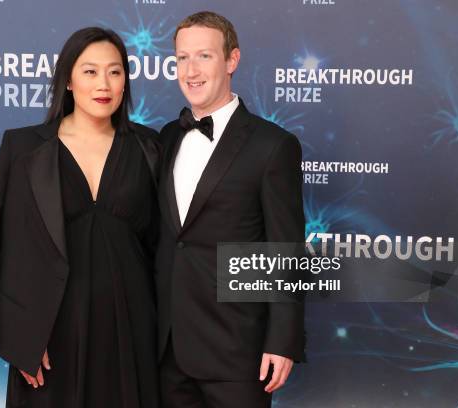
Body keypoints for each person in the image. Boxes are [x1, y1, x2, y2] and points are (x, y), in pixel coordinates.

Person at [0, 27, 160, 408]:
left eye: (115, 71)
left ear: (126, 80)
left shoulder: (150, 147)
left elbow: (165, 247)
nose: (104, 83)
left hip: (130, 325)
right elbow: (3, 247)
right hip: (49, 330)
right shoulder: (23, 147)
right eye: (90, 71)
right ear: (69, 81)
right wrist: (20, 338)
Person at [155, 11, 306, 408]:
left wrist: (282, 340)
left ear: (232, 61)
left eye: (203, 56)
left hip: (239, 352)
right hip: (167, 351)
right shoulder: (167, 137)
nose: (190, 70)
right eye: (182, 58)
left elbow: (285, 249)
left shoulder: (272, 145)